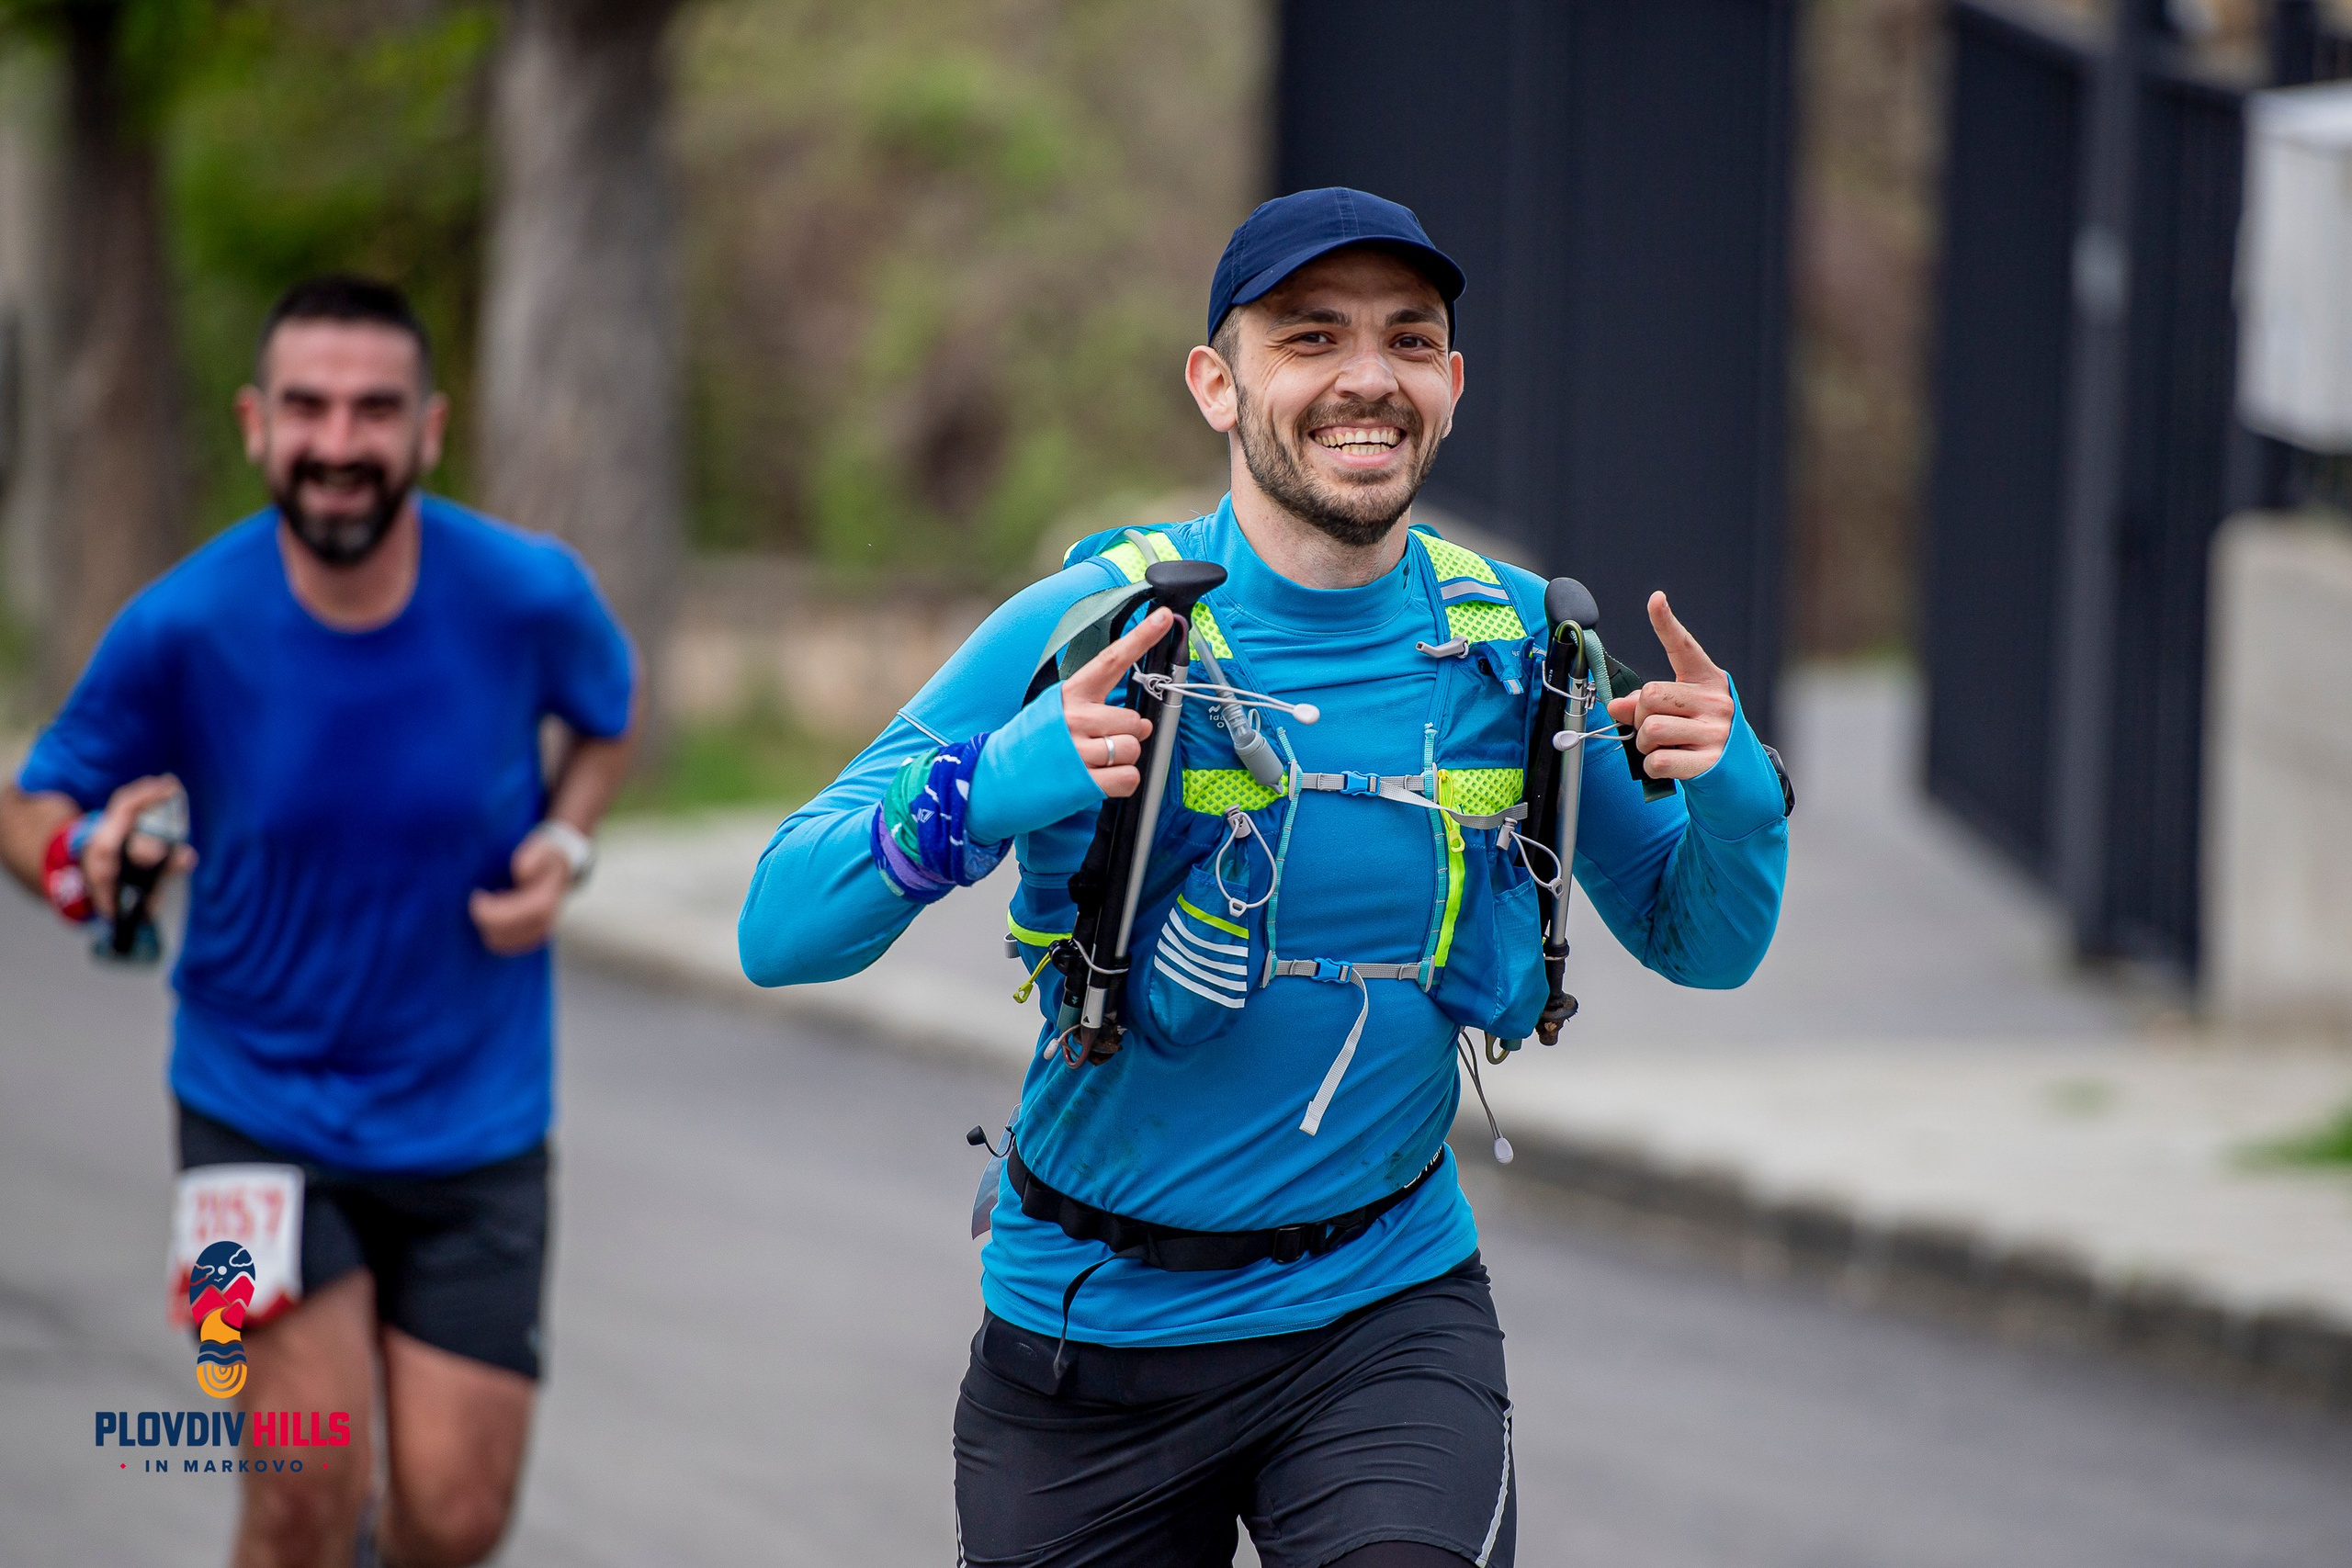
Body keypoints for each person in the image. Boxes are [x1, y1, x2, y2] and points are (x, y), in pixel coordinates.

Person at [738, 189, 1789, 1568]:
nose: (1368, 377)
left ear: (1453, 386)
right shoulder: (1092, 627)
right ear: (1218, 384)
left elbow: (1705, 944)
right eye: (1311, 338)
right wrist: (991, 788)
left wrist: (1736, 783)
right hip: (1087, 1339)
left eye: (1409, 341)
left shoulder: (1523, 644)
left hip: (1383, 1316)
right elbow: (776, 927)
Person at [0, 276, 638, 1568]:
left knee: (455, 1520)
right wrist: (90, 858)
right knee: (302, 1488)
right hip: (257, 1113)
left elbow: (608, 722)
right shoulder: (186, 625)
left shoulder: (527, 596)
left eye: (372, 411)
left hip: (477, 1121)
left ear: (427, 429)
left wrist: (565, 845)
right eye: (307, 409)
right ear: (255, 423)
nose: (339, 444)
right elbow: (31, 804)